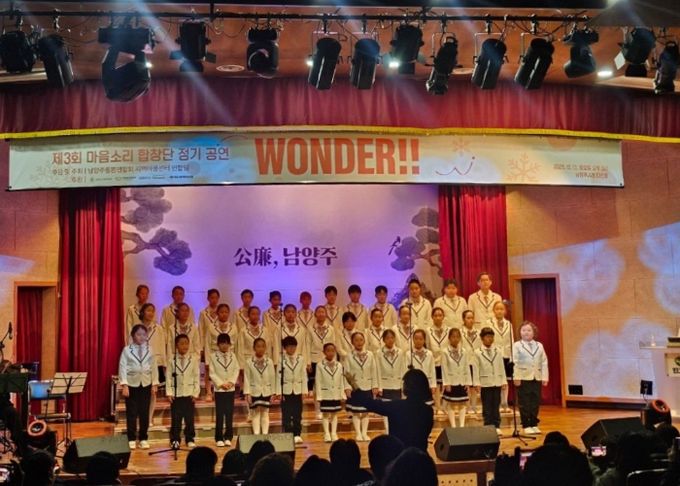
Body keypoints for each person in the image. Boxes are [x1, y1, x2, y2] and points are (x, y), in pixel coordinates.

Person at [350, 369, 434, 451]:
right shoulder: (428, 410)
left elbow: (371, 404)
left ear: (407, 387)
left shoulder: (397, 406)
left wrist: (354, 385)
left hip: (399, 455)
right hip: (420, 456)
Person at [118, 324, 159, 450]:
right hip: (132, 384)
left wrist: (154, 383)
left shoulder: (150, 349)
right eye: (138, 334)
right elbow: (122, 367)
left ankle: (143, 438)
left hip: (145, 384)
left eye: (144, 334)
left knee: (144, 412)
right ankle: (131, 438)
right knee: (132, 412)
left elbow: (154, 367)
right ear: (133, 336)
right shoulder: (127, 350)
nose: (141, 337)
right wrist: (124, 384)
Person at [512, 321, 549, 435]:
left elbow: (544, 362)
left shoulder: (539, 345)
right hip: (523, 377)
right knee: (524, 402)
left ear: (534, 332)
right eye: (523, 330)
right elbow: (514, 362)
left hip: (536, 377)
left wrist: (545, 377)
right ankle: (526, 424)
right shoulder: (517, 345)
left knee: (535, 402)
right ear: (520, 332)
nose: (526, 332)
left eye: (529, 330)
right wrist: (516, 376)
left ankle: (533, 423)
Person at [166, 334, 200, 448]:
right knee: (176, 418)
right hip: (176, 393)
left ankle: (190, 438)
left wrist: (195, 392)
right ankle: (175, 439)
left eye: (186, 343)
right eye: (182, 343)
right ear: (176, 345)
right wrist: (169, 392)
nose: (185, 346)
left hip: (189, 393)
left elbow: (196, 376)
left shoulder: (193, 360)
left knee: (189, 418)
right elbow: (169, 377)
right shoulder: (172, 360)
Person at [345, 332, 379, 442]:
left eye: (361, 340)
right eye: (356, 340)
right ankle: (358, 433)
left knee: (365, 411)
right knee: (356, 411)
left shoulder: (370, 355)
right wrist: (347, 387)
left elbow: (374, 370)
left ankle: (364, 433)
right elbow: (346, 373)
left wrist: (375, 385)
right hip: (355, 387)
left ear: (364, 341)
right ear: (352, 342)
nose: (359, 342)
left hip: (367, 386)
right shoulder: (349, 356)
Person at [473, 327, 507, 437]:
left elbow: (501, 366)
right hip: (485, 382)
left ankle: (497, 425)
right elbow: (476, 368)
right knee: (487, 405)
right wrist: (477, 383)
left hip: (497, 381)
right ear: (482, 338)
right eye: (487, 337)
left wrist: (503, 380)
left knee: (496, 404)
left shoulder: (498, 350)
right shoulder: (477, 352)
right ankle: (488, 426)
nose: (490, 339)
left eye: (491, 337)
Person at [315, 343, 351, 442]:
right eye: (328, 350)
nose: (330, 353)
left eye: (332, 351)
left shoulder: (339, 365)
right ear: (324, 352)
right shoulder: (319, 365)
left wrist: (342, 393)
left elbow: (341, 380)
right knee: (326, 414)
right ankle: (326, 433)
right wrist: (319, 395)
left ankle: (334, 433)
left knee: (334, 414)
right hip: (325, 393)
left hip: (336, 393)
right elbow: (318, 381)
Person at [138, 302, 166, 426]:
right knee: (141, 392)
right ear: (143, 312)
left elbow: (162, 346)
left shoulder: (158, 328)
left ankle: (149, 418)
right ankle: (141, 417)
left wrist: (163, 363)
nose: (151, 313)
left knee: (153, 392)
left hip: (155, 363)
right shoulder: (137, 328)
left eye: (152, 311)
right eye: (148, 310)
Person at [244, 337, 280, 435]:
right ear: (254, 348)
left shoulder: (269, 361)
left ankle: (265, 434)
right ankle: (256, 434)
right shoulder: (249, 362)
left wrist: (273, 392)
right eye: (258, 346)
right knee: (255, 413)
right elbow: (247, 378)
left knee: (265, 412)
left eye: (263, 346)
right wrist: (247, 393)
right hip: (254, 390)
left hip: (266, 390)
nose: (261, 349)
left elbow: (272, 377)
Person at [209, 333, 239, 447]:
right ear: (218, 344)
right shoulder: (213, 357)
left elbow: (236, 369)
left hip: (230, 389)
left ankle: (228, 437)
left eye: (227, 343)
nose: (225, 345)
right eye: (222, 343)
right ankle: (219, 437)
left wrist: (231, 382)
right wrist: (221, 384)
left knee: (229, 413)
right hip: (220, 390)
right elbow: (212, 372)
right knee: (220, 414)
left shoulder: (233, 356)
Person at [375, 329, 407, 433]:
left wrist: (403, 385)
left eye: (392, 337)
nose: (390, 340)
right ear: (383, 340)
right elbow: (378, 370)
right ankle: (388, 429)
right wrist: (379, 386)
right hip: (385, 384)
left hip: (397, 384)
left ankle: (396, 428)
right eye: (387, 338)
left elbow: (403, 368)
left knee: (397, 408)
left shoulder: (400, 352)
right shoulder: (379, 353)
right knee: (387, 408)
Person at [308, 306, 337, 420]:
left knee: (328, 384)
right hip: (315, 359)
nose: (321, 314)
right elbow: (307, 344)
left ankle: (328, 409)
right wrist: (308, 362)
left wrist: (334, 360)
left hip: (328, 359)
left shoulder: (331, 328)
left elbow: (333, 344)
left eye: (323, 312)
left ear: (326, 314)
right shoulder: (310, 328)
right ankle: (318, 409)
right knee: (317, 386)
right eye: (318, 312)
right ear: (315, 314)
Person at [205, 304, 240, 397]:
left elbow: (236, 343)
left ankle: (229, 388)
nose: (224, 314)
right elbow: (207, 343)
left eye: (226, 312)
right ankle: (209, 392)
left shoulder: (233, 327)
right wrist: (207, 360)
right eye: (221, 312)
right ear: (217, 313)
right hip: (214, 353)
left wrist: (236, 357)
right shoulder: (211, 326)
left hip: (229, 354)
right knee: (212, 373)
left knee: (227, 373)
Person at [441, 328, 473, 428]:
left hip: (462, 380)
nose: (455, 339)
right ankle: (453, 425)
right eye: (453, 337)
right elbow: (444, 368)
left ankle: (462, 425)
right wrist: (447, 383)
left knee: (462, 403)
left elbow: (466, 366)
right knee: (451, 404)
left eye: (457, 337)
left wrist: (467, 382)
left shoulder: (464, 351)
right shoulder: (445, 351)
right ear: (449, 338)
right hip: (451, 381)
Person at [280, 336, 307, 444]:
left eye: (293, 346)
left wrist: (304, 391)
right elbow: (278, 377)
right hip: (286, 390)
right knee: (286, 414)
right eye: (289, 346)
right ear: (285, 348)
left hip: (297, 390)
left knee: (297, 413)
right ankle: (288, 434)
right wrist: (279, 392)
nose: (291, 349)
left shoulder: (301, 359)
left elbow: (303, 375)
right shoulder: (281, 359)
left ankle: (297, 434)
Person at [488, 301, 514, 412]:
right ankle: (497, 403)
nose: (499, 311)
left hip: (506, 354)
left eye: (501, 309)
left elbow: (511, 340)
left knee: (505, 380)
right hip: (495, 355)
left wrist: (512, 355)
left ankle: (505, 403)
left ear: (505, 311)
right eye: (497, 309)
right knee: (497, 380)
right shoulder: (488, 323)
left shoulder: (509, 324)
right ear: (493, 311)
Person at [199, 288, 221, 401]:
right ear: (208, 298)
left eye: (216, 297)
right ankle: (208, 391)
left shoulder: (221, 311)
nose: (214, 300)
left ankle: (218, 390)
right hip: (208, 345)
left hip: (220, 346)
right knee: (208, 368)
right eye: (212, 297)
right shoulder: (203, 313)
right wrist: (201, 347)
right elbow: (201, 330)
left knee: (219, 369)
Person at [427, 307, 450, 415]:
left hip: (446, 361)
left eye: (440, 315)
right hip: (434, 361)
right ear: (432, 317)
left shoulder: (448, 330)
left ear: (443, 317)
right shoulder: (428, 330)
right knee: (436, 385)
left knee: (445, 383)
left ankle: (445, 405)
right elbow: (427, 346)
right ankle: (438, 406)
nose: (438, 317)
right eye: (435, 315)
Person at [405, 329, 436, 404]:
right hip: (413, 385)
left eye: (421, 339)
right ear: (413, 340)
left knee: (426, 405)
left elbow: (432, 370)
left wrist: (433, 385)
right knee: (414, 405)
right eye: (416, 338)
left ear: (424, 340)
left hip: (426, 383)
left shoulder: (429, 354)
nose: (418, 341)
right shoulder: (408, 354)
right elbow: (406, 371)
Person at [461, 309, 482, 414]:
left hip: (475, 361)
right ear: (464, 319)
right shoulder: (460, 332)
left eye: (472, 318)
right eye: (468, 318)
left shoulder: (478, 332)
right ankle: (467, 406)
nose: (470, 320)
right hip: (465, 361)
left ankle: (474, 406)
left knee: (474, 385)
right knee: (467, 385)